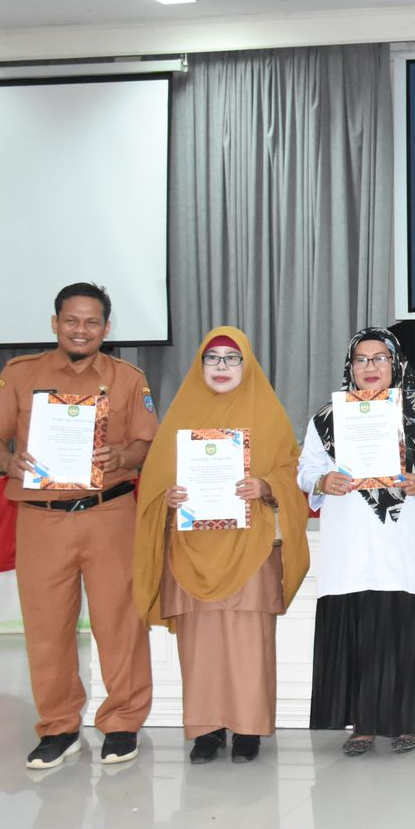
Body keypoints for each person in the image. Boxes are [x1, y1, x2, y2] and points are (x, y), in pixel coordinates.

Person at [0, 282, 156, 769]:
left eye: (92, 322)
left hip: (109, 514)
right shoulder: (20, 373)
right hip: (42, 519)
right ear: (55, 323)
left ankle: (122, 723)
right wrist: (7, 462)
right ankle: (58, 727)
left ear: (106, 328)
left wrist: (124, 456)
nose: (81, 330)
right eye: (72, 320)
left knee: (120, 623)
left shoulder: (128, 378)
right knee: (47, 626)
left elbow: (145, 442)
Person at [132, 327, 309, 764]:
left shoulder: (269, 416)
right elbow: (153, 485)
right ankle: (206, 729)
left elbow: (292, 473)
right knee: (200, 645)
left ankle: (248, 729)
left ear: (247, 365)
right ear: (200, 366)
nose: (222, 367)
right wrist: (168, 498)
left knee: (250, 642)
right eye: (212, 358)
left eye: (232, 358)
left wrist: (266, 486)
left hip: (250, 549)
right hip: (192, 550)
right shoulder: (179, 417)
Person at [299, 327, 415, 756]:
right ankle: (362, 725)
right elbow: (306, 468)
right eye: (361, 359)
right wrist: (322, 480)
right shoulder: (326, 419)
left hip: (401, 544)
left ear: (396, 363)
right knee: (357, 627)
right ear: (350, 367)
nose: (370, 367)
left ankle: (405, 721)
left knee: (402, 626)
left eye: (379, 358)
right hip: (350, 544)